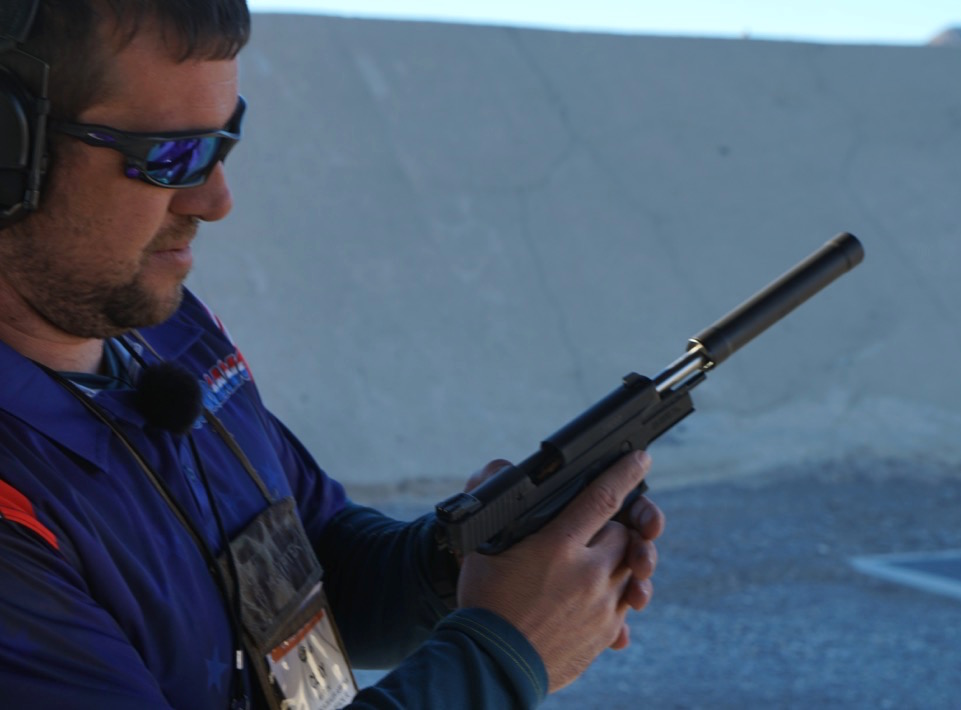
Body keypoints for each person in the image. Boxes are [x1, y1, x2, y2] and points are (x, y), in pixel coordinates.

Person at [0, 2, 665, 708]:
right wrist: (501, 658)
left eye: (223, 143)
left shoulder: (164, 328)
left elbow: (308, 558)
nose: (216, 199)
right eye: (170, 156)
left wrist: (461, 559)